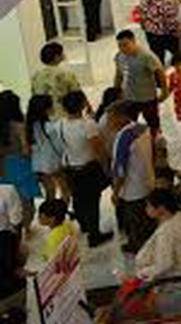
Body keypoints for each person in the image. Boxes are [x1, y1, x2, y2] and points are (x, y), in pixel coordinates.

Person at [59, 91, 108, 247]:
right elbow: (98, 149)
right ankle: (95, 235)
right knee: (92, 202)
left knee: (78, 198)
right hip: (88, 168)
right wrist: (105, 167)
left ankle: (84, 225)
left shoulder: (60, 124)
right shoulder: (88, 124)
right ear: (82, 105)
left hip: (70, 168)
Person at [107, 102, 156, 252]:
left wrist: (116, 192)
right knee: (147, 219)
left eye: (111, 118)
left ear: (122, 117)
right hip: (147, 181)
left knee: (135, 221)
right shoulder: (143, 128)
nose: (108, 122)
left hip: (132, 189)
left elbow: (120, 170)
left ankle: (139, 248)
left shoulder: (124, 137)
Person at [134, 188, 181, 282]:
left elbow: (164, 264)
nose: (146, 209)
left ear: (161, 208)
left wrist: (142, 274)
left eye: (149, 206)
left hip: (176, 279)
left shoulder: (166, 231)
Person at [113, 28, 168, 130]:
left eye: (125, 45)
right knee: (128, 125)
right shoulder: (119, 56)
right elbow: (119, 75)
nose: (123, 48)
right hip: (129, 97)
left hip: (148, 98)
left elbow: (160, 72)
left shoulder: (146, 56)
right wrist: (115, 91)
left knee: (153, 125)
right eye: (120, 45)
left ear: (133, 41)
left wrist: (164, 91)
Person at [25, 94, 66, 203]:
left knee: (49, 191)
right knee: (64, 190)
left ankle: (48, 211)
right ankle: (60, 211)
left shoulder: (29, 127)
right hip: (53, 163)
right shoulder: (51, 127)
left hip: (38, 165)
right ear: (46, 109)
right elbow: (60, 146)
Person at [137, 0, 181, 66]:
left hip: (152, 35)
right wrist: (178, 33)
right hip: (168, 35)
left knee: (158, 60)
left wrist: (146, 28)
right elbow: (172, 21)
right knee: (179, 57)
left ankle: (161, 74)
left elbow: (142, 18)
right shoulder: (168, 2)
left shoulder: (145, 1)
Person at [30, 42, 81, 115]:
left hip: (44, 115)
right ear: (56, 57)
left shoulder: (36, 76)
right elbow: (76, 94)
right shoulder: (67, 74)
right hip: (63, 114)